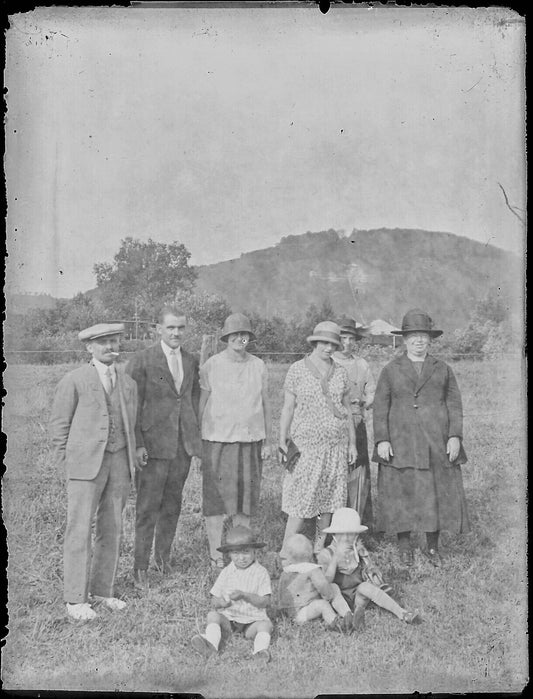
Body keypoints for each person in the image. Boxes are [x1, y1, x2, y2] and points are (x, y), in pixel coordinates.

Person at [49, 323, 138, 621]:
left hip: (118, 462)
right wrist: (66, 464)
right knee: (79, 529)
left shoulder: (128, 383)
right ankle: (75, 599)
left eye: (115, 341)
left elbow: (132, 423)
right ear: (89, 347)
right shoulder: (74, 380)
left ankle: (103, 590)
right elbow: (59, 427)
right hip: (84, 465)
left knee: (112, 527)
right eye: (104, 343)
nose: (111, 347)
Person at [372, 308, 470, 567]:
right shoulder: (391, 370)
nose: (418, 341)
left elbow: (454, 404)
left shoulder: (443, 369)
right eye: (413, 336)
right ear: (404, 340)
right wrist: (382, 439)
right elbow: (380, 406)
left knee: (432, 493)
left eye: (423, 336)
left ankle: (432, 547)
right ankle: (404, 547)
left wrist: (454, 436)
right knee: (401, 492)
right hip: (400, 441)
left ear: (430, 340)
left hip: (434, 442)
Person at [126, 306, 202, 589]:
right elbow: (131, 406)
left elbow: (193, 403)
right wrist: (138, 444)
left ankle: (163, 560)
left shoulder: (191, 360)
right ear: (158, 329)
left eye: (181, 327)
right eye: (170, 327)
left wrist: (195, 442)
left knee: (172, 505)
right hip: (153, 449)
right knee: (147, 508)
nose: (176, 333)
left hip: (181, 448)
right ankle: (140, 568)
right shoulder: (142, 360)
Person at [199, 313, 272, 568]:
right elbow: (202, 402)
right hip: (217, 440)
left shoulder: (258, 366)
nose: (240, 339)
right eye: (234, 335)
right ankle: (216, 553)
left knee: (246, 498)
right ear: (226, 338)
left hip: (250, 441)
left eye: (244, 335)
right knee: (216, 499)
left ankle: (240, 550)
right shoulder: (212, 365)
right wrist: (199, 438)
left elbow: (265, 404)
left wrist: (270, 438)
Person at [278, 321, 356, 555]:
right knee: (301, 498)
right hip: (307, 447)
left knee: (330, 499)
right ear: (315, 343)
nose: (329, 348)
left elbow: (347, 410)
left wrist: (352, 443)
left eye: (333, 344)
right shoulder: (297, 369)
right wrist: (281, 438)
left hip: (335, 446)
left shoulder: (341, 372)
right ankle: (286, 551)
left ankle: (319, 549)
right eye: (324, 343)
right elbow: (288, 408)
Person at [317, 508, 419, 630]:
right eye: (342, 533)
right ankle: (347, 617)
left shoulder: (358, 550)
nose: (346, 538)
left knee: (365, 587)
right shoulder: (327, 553)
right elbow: (325, 582)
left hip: (357, 597)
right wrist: (335, 559)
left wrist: (372, 573)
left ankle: (402, 613)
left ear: (356, 535)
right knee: (333, 588)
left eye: (351, 534)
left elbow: (369, 568)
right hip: (338, 601)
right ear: (334, 534)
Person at [190, 525, 273, 663]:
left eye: (246, 552)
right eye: (235, 553)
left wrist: (245, 596)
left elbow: (265, 601)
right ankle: (211, 645)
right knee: (213, 615)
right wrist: (222, 603)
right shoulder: (227, 572)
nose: (241, 558)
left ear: (254, 552)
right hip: (230, 620)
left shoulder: (261, 573)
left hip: (252, 622)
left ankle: (259, 652)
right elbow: (214, 599)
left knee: (266, 625)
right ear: (229, 554)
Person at [332, 317, 376, 526]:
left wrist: (364, 401)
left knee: (359, 471)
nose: (347, 343)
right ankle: (331, 523)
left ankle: (359, 523)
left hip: (357, 422)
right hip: (333, 424)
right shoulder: (328, 361)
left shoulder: (361, 364)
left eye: (351, 338)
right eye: (343, 338)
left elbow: (372, 392)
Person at [278, 534, 354, 633]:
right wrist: (329, 595)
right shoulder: (311, 569)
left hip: (288, 612)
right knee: (323, 603)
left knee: (332, 588)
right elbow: (323, 587)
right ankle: (338, 622)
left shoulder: (286, 571)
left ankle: (347, 616)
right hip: (302, 612)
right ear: (310, 554)